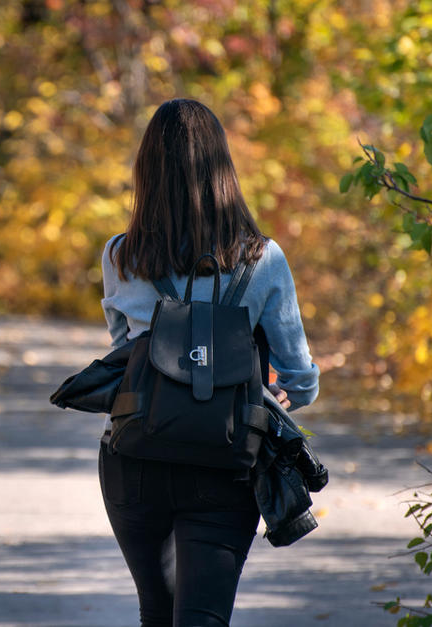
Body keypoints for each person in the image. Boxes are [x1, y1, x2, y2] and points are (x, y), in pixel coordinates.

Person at [99, 98, 320, 627]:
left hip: (136, 458)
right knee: (202, 618)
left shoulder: (121, 255)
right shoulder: (263, 258)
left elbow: (121, 355)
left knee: (157, 611)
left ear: (147, 170)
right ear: (223, 168)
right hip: (225, 460)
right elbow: (299, 375)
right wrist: (277, 392)